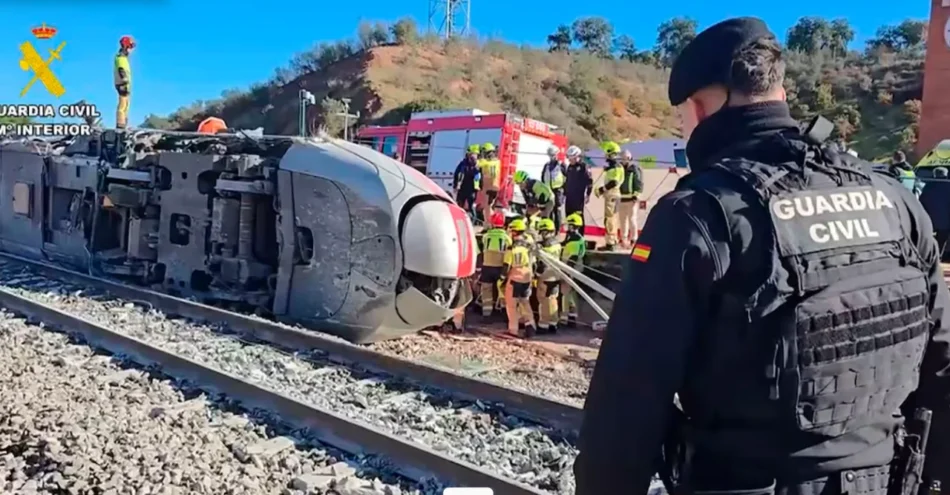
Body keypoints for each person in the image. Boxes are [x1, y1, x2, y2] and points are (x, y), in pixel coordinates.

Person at [574, 16, 950, 495]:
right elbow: (942, 363)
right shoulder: (895, 201)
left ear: (698, 108)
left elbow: (626, 407)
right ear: (780, 94)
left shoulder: (696, 215)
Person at [502, 217, 536, 337]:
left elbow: (506, 266)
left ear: (515, 232)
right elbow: (534, 263)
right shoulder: (529, 247)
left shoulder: (511, 248)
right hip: (527, 277)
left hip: (515, 278)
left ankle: (513, 330)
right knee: (525, 303)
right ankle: (530, 325)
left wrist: (502, 278)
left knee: (511, 305)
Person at [479, 211, 511, 318]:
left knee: (486, 289)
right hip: (500, 267)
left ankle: (486, 313)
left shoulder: (486, 236)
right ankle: (504, 312)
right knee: (502, 289)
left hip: (487, 267)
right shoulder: (506, 238)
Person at [534, 218, 562, 334]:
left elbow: (542, 264)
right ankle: (553, 323)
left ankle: (543, 325)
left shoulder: (544, 247)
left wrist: (536, 274)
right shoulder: (557, 244)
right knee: (553, 300)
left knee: (544, 301)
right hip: (556, 275)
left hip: (545, 277)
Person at [595, 141, 624, 250]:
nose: (605, 156)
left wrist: (602, 189)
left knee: (609, 219)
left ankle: (610, 243)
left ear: (610, 153)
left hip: (612, 195)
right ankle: (613, 241)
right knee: (613, 218)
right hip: (614, 195)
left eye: (606, 154)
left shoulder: (615, 167)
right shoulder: (615, 166)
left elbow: (614, 182)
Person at [559, 213, 587, 328]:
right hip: (576, 269)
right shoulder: (577, 238)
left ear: (572, 226)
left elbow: (573, 258)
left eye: (569, 225)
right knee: (571, 294)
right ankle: (572, 316)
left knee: (566, 294)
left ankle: (566, 318)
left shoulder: (574, 241)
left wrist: (567, 272)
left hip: (571, 269)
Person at [920, 166, 950, 259]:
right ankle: (938, 256)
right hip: (945, 221)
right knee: (942, 239)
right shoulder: (948, 185)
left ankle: (929, 255)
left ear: (935, 174)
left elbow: (921, 201)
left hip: (930, 219)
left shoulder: (928, 185)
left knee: (929, 238)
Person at [618, 149, 644, 247]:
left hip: (631, 199)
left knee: (632, 219)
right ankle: (623, 239)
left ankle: (634, 239)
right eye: (622, 158)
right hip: (621, 198)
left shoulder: (635, 169)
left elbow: (639, 183)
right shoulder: (619, 169)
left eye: (626, 158)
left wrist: (636, 195)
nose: (624, 160)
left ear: (630, 158)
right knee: (622, 220)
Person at [564, 145, 593, 231]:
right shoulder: (569, 167)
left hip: (579, 197)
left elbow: (590, 182)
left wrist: (588, 194)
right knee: (569, 216)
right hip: (569, 196)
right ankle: (570, 233)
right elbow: (567, 180)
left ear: (577, 156)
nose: (570, 160)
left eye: (571, 158)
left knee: (578, 216)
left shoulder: (584, 167)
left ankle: (580, 234)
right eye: (569, 158)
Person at [542, 146, 567, 231]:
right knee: (549, 210)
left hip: (558, 190)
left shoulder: (561, 165)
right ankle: (550, 229)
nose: (552, 157)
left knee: (557, 210)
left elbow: (567, 177)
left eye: (554, 155)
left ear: (557, 154)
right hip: (548, 190)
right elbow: (543, 177)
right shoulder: (547, 165)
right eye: (550, 155)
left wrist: (564, 189)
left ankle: (557, 230)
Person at [114, 35, 136, 130]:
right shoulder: (120, 57)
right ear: (126, 46)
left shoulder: (124, 58)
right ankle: (120, 124)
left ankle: (124, 123)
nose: (131, 50)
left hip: (126, 85)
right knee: (123, 104)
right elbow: (121, 69)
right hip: (122, 84)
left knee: (126, 104)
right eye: (130, 47)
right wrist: (124, 79)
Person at [454, 145, 481, 216]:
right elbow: (457, 174)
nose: (473, 157)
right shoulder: (463, 163)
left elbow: (480, 177)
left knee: (471, 206)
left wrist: (480, 187)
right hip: (463, 188)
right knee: (460, 205)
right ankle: (458, 217)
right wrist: (455, 185)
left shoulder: (478, 165)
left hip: (472, 189)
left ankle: (473, 220)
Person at [478, 143, 501, 221]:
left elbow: (477, 164)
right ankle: (492, 221)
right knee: (489, 206)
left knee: (487, 207)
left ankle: (490, 223)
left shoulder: (485, 163)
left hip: (488, 188)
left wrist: (480, 157)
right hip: (495, 187)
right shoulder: (498, 162)